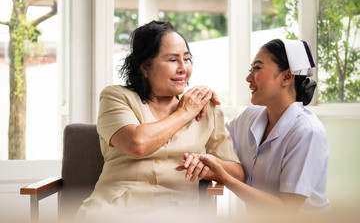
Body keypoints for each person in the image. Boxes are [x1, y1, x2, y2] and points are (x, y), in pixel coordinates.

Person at [75, 20, 243, 220]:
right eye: (172, 60)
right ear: (145, 67)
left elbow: (237, 174)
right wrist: (184, 113)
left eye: (187, 59)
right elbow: (136, 143)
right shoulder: (116, 96)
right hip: (112, 211)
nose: (183, 68)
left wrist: (210, 166)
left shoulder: (207, 108)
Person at [180, 39, 330, 212]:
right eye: (250, 69)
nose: (248, 78)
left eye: (257, 68)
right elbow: (214, 142)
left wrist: (227, 179)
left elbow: (287, 210)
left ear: (287, 77)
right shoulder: (251, 116)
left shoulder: (307, 132)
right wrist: (203, 102)